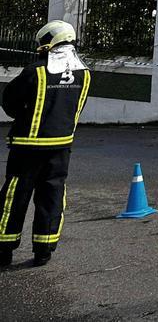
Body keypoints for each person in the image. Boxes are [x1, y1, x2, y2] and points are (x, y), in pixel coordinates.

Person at [0, 20, 91, 267]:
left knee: (15, 196)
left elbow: (9, 102)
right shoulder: (85, 73)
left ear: (49, 42)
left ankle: (4, 249)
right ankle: (44, 249)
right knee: (52, 196)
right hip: (61, 147)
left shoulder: (35, 71)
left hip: (27, 146)